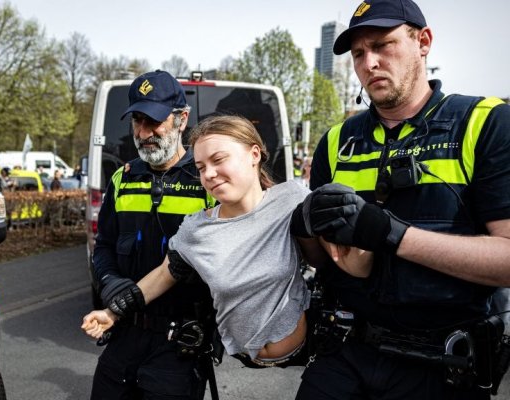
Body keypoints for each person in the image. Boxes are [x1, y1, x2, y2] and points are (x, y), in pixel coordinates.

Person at [296, 1, 510, 399]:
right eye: (358, 53)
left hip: (441, 363)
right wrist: (305, 230)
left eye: (382, 45)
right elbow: (322, 260)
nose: (369, 62)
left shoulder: (485, 122)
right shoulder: (335, 141)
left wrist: (394, 235)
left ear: (423, 41)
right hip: (345, 351)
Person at [82, 115, 370, 369]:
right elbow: (161, 275)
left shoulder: (293, 201)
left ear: (254, 154)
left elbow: (345, 264)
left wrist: (365, 227)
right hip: (240, 356)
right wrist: (111, 312)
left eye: (218, 160)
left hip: (300, 355)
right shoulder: (196, 229)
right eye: (200, 166)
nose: (208, 174)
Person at [86, 70, 217, 400]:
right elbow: (103, 247)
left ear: (181, 119)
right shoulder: (122, 178)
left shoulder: (207, 182)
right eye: (137, 121)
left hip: (179, 347)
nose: (143, 133)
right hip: (124, 335)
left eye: (153, 122)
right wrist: (108, 282)